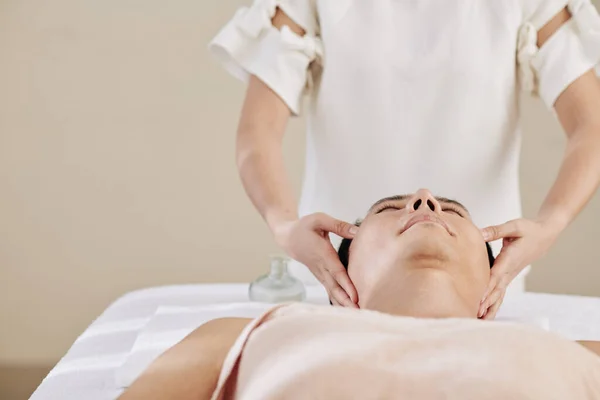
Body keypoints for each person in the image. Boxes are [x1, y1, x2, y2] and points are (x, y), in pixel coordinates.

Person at [208, 0, 600, 316]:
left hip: (481, 288)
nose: (423, 199)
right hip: (339, 282)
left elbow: (591, 128)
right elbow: (257, 133)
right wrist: (284, 226)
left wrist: (550, 226)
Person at [119, 190, 600, 400]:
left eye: (452, 211)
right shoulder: (248, 337)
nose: (426, 200)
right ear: (341, 282)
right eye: (391, 209)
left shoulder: (575, 356)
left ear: (491, 292)